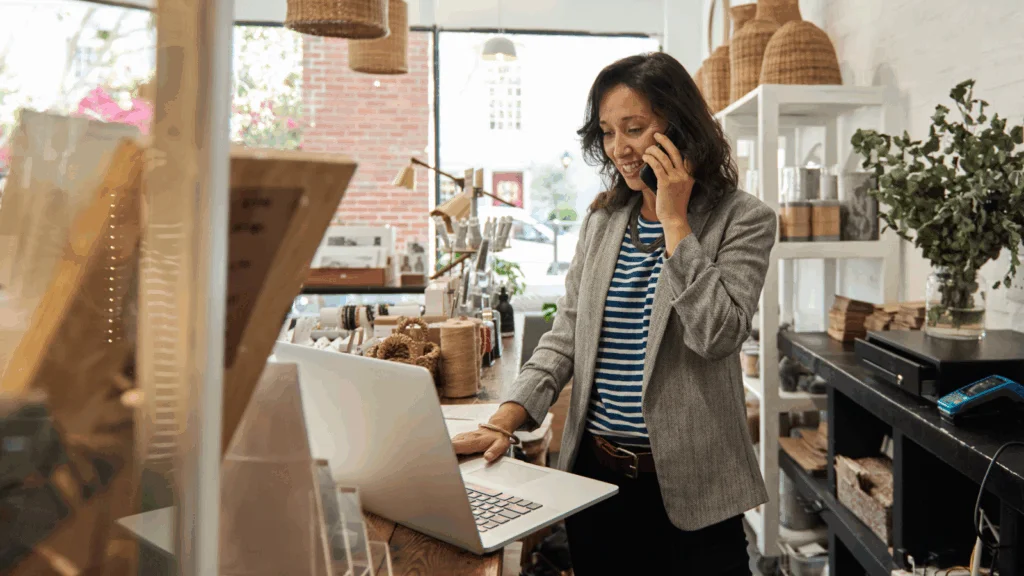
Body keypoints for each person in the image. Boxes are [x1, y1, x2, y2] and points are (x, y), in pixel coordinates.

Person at [452, 51, 776, 574]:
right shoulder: (603, 222)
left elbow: (718, 334)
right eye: (607, 132)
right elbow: (568, 334)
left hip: (696, 490)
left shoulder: (743, 219)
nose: (619, 148)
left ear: (679, 128)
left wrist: (674, 221)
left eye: (634, 127)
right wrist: (507, 419)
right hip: (596, 481)